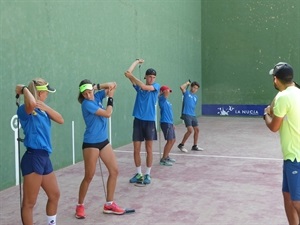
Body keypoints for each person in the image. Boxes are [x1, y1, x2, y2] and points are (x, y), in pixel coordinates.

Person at [15, 78, 64, 225]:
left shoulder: (42, 111)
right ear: (39, 93)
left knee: (54, 195)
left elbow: (61, 119)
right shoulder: (25, 110)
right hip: (33, 157)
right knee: (29, 203)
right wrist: (25, 89)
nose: (47, 95)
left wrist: (45, 107)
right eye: (45, 93)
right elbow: (30, 103)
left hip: (44, 158)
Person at [75, 79, 125, 219]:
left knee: (114, 171)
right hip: (91, 143)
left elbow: (113, 84)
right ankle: (80, 205)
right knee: (89, 176)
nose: (88, 95)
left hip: (103, 141)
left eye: (90, 92)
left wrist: (97, 87)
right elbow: (108, 113)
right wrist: (110, 98)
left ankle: (109, 204)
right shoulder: (86, 104)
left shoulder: (96, 96)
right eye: (85, 93)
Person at [264, 62, 300, 225]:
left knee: (297, 202)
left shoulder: (283, 97)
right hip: (290, 157)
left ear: (276, 79)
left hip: (296, 158)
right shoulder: (295, 93)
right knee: (287, 196)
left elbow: (274, 127)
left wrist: (265, 115)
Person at [124, 59, 160, 185]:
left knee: (149, 149)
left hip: (149, 122)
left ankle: (148, 174)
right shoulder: (139, 89)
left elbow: (143, 86)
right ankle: (139, 173)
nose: (151, 79)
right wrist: (136, 62)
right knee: (136, 149)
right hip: (138, 121)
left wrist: (131, 76)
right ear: (145, 76)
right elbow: (128, 73)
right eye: (149, 77)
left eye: (153, 77)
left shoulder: (156, 87)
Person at [177, 80, 204, 153]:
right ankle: (181, 145)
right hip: (186, 114)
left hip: (193, 115)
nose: (195, 89)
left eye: (196, 88)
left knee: (197, 130)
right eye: (194, 87)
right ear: (191, 87)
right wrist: (187, 83)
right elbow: (181, 87)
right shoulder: (186, 93)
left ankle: (194, 146)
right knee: (190, 130)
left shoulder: (196, 97)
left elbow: (193, 105)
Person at [158, 85, 176, 166]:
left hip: (170, 123)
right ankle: (163, 159)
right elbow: (159, 95)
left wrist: (172, 123)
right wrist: (161, 93)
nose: (169, 92)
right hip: (165, 122)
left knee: (173, 140)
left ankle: (167, 156)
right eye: (167, 91)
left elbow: (170, 113)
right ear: (163, 92)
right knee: (170, 141)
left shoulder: (167, 102)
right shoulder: (162, 99)